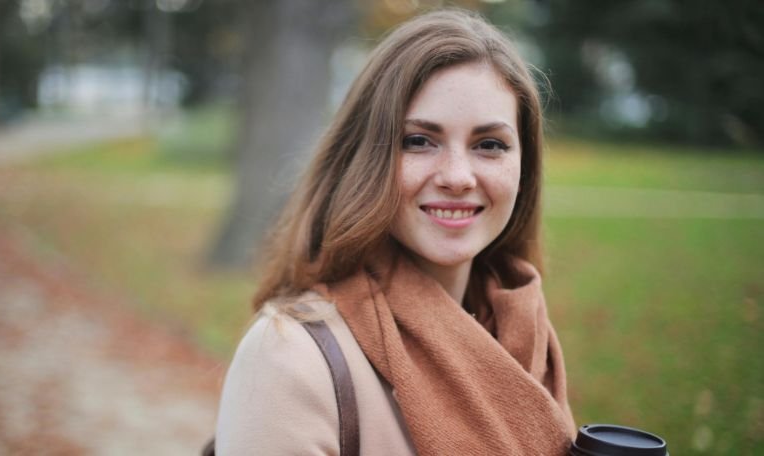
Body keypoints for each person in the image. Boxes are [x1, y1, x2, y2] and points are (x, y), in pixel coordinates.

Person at [214, 9, 577, 455]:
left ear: (525, 167)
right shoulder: (289, 357)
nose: (458, 176)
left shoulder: (527, 336)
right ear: (365, 159)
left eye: (489, 145)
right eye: (419, 141)